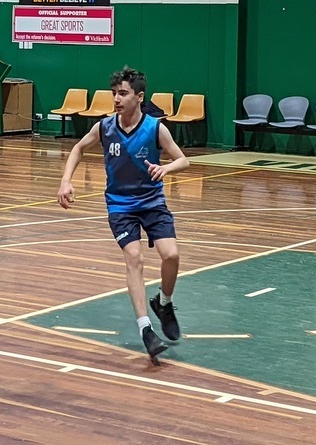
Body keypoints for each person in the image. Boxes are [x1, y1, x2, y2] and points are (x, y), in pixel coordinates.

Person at [56, 66, 190, 362]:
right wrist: (66, 180)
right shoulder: (105, 127)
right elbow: (78, 148)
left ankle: (164, 303)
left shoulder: (155, 128)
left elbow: (183, 160)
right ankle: (146, 330)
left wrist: (166, 168)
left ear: (139, 97)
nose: (117, 99)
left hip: (152, 202)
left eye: (123, 94)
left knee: (172, 255)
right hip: (120, 205)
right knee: (135, 259)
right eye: (114, 93)